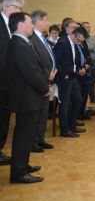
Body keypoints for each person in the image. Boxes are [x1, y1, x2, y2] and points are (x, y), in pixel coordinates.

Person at [7, 12, 49, 183]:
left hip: (29, 97)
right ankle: (18, 172)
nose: (33, 26)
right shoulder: (18, 44)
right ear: (21, 25)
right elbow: (30, 72)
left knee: (26, 135)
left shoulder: (22, 42)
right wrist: (45, 88)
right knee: (23, 136)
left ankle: (23, 165)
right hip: (27, 98)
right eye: (30, 23)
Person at [0, 0, 24, 166]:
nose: (18, 11)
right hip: (2, 82)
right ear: (4, 7)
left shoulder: (9, 25)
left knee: (4, 119)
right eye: (16, 8)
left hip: (8, 83)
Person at [53, 22, 88, 138]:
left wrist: (79, 69)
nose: (80, 42)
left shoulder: (73, 43)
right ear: (75, 34)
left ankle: (72, 125)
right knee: (65, 104)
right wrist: (64, 75)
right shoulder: (62, 43)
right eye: (79, 40)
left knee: (78, 100)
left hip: (72, 76)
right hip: (65, 78)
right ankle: (64, 129)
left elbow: (73, 62)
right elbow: (55, 61)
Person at [29, 10, 56, 153]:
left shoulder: (42, 37)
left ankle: (40, 139)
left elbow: (48, 57)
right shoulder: (32, 39)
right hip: (40, 81)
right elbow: (34, 63)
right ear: (38, 21)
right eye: (45, 20)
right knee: (37, 114)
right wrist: (48, 74)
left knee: (44, 112)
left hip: (48, 80)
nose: (47, 23)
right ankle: (33, 141)